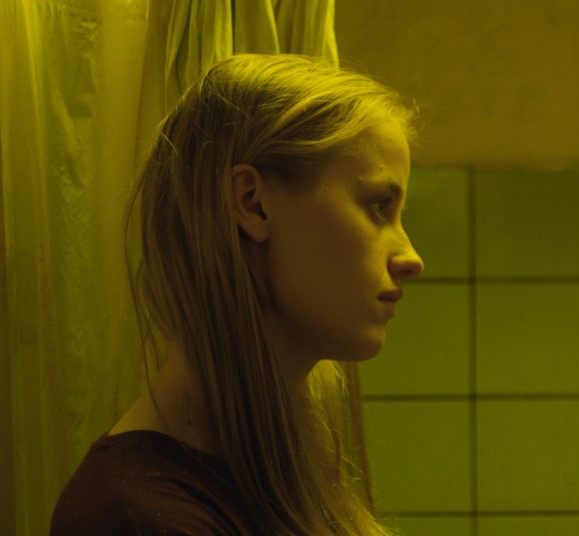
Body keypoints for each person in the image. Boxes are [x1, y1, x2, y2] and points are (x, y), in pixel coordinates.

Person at [51, 54, 424, 535]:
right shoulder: (133, 516)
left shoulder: (284, 476)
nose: (411, 258)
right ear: (252, 203)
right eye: (379, 206)